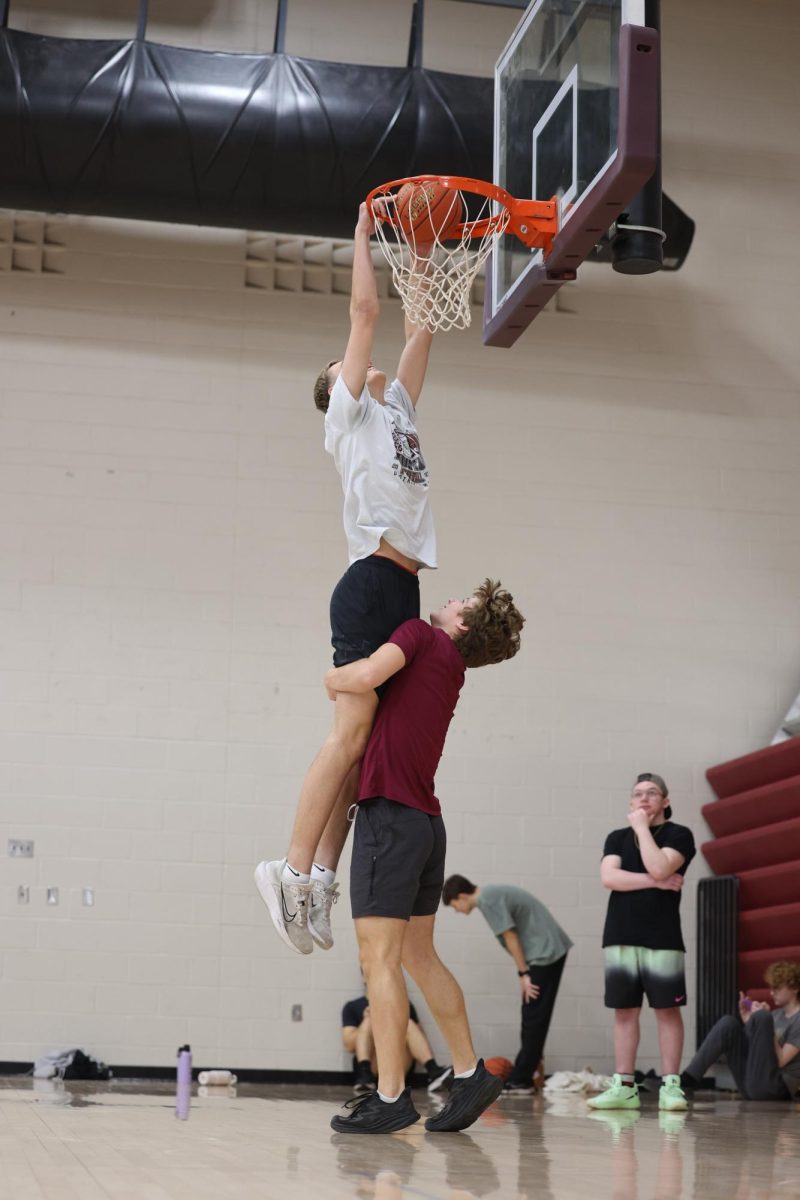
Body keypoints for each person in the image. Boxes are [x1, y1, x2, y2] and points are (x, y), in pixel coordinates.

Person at [254, 202, 435, 955]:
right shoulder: (349, 416)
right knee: (350, 733)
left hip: (404, 591)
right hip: (367, 585)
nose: (354, 359)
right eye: (343, 364)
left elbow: (421, 328)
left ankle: (320, 877)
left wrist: (428, 255)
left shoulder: (395, 412)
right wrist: (365, 238)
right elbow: (367, 309)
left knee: (367, 755)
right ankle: (288, 870)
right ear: (338, 388)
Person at [328, 579, 525, 1133]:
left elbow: (363, 676)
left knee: (379, 961)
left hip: (390, 816)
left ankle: (390, 1096)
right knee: (418, 955)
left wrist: (330, 678)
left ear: (461, 625)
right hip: (426, 823)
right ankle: (469, 1072)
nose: (452, 596)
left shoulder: (418, 633)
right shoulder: (452, 668)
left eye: (462, 600)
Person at [587, 772, 695, 1113]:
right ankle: (624, 1086)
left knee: (667, 1010)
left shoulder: (679, 834)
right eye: (637, 794)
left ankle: (671, 1086)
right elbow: (609, 877)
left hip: (662, 937)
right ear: (630, 803)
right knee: (624, 1011)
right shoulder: (616, 838)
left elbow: (662, 867)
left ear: (665, 801)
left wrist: (642, 831)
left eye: (652, 793)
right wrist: (654, 881)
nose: (644, 798)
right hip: (620, 935)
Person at [441, 876, 572, 1094]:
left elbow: (510, 937)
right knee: (533, 1014)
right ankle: (526, 1073)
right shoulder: (491, 895)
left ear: (462, 896)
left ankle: (521, 1079)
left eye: (455, 906)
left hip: (545, 953)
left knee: (534, 1015)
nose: (457, 911)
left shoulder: (487, 900)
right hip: (547, 951)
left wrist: (524, 974)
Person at [680, 960, 800, 1100]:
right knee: (728, 1023)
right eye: (771, 987)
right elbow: (755, 1052)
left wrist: (765, 1023)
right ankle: (687, 1081)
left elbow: (780, 1061)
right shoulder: (776, 1015)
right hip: (752, 1084)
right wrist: (749, 1021)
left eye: (777, 988)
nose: (772, 992)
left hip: (775, 1087)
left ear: (795, 988)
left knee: (762, 1016)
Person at [341, 987, 452, 1096]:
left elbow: (419, 1038)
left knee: (407, 1022)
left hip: (398, 1062)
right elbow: (349, 1045)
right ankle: (365, 1075)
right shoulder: (352, 1006)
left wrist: (395, 1018)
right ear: (365, 975)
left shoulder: (403, 1003)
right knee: (369, 1018)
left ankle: (433, 1071)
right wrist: (369, 1021)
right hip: (372, 1064)